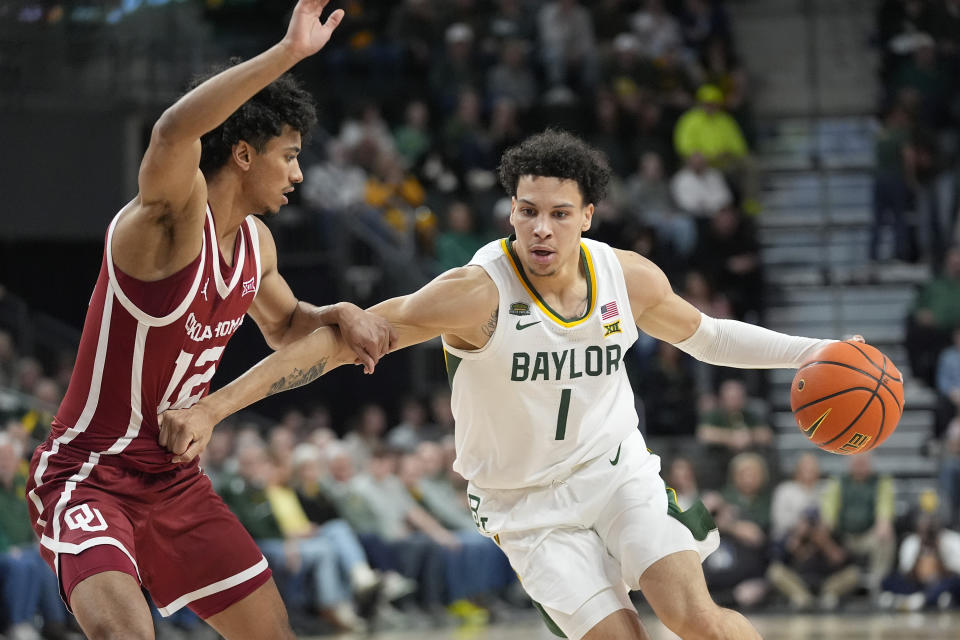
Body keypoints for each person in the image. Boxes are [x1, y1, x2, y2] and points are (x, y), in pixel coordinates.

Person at [161, 130, 848, 640]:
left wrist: (820, 351)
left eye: (556, 213)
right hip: (525, 509)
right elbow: (341, 343)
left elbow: (711, 336)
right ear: (511, 211)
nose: (539, 228)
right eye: (526, 211)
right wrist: (217, 406)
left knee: (695, 618)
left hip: (618, 477)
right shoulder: (476, 293)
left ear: (587, 216)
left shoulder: (627, 277)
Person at [24, 3, 395, 639]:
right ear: (245, 154)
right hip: (91, 475)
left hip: (175, 483)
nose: (300, 174)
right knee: (126, 634)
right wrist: (288, 54)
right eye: (290, 155)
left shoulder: (258, 247)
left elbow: (286, 329)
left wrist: (333, 312)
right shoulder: (168, 222)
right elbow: (172, 132)